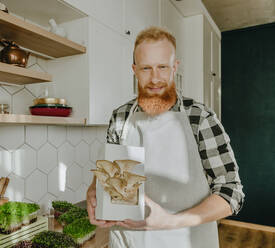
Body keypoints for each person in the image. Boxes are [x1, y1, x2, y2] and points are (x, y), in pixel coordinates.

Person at [86, 27, 245, 248]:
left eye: (162, 67)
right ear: (134, 70)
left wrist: (170, 221)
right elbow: (111, 176)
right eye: (146, 68)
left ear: (174, 67)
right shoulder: (120, 117)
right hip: (127, 241)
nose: (155, 78)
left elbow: (231, 193)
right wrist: (94, 190)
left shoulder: (199, 117)